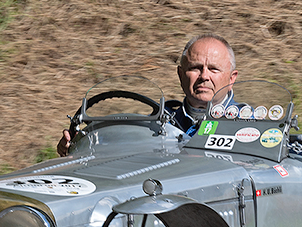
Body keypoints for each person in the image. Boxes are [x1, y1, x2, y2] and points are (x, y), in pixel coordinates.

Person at [56, 34, 239, 156]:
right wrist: (76, 145)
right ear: (181, 75)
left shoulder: (251, 124)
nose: (204, 76)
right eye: (195, 68)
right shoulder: (158, 119)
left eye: (213, 69)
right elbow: (119, 146)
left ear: (231, 78)